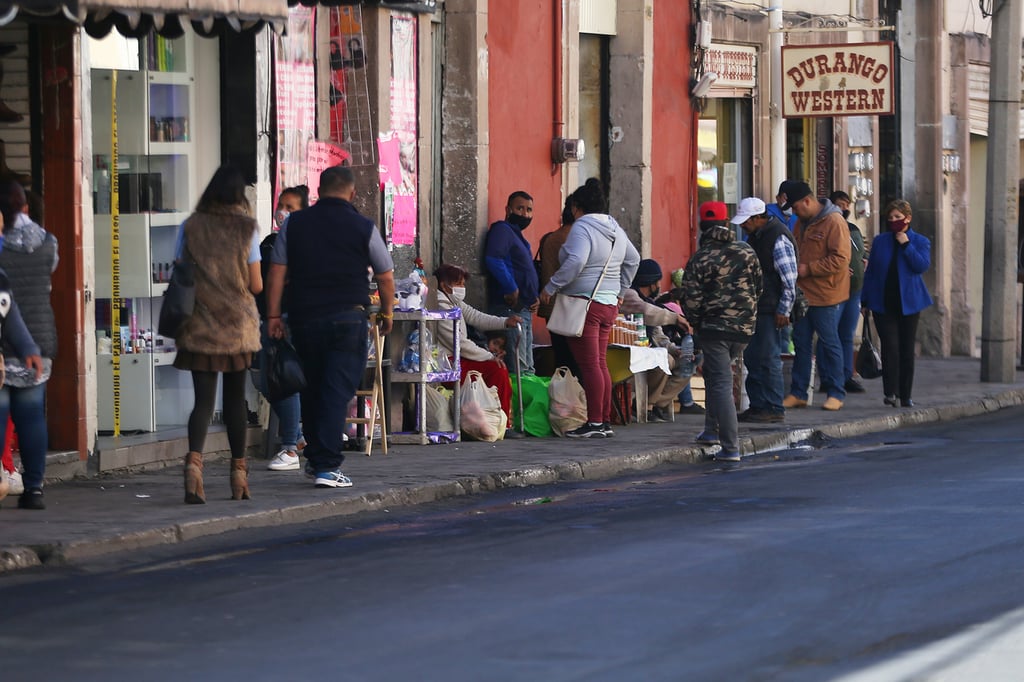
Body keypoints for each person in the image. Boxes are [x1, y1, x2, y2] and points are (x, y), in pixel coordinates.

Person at [266, 165, 395, 489]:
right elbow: (385, 274)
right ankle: (326, 466)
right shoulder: (363, 226)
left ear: (318, 191)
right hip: (348, 318)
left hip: (305, 318)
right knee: (337, 390)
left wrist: (273, 317)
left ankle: (316, 460)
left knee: (310, 388)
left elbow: (277, 272)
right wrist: (388, 312)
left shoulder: (294, 224)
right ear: (352, 194)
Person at [173, 165, 263, 504]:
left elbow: (180, 271)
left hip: (200, 323)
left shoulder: (190, 226)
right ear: (239, 195)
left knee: (202, 402)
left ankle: (194, 468)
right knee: (235, 401)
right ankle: (239, 475)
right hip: (237, 328)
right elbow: (256, 285)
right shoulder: (247, 230)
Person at [539, 178, 640, 438]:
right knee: (599, 364)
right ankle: (603, 420)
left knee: (590, 366)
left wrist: (551, 286)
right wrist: (619, 291)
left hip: (584, 303)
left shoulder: (582, 227)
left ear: (575, 208)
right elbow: (634, 259)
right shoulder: (615, 228)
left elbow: (576, 260)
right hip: (607, 304)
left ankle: (595, 422)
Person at [680, 201, 762, 462]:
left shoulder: (700, 257)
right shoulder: (747, 252)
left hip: (714, 328)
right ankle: (710, 430)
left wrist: (697, 322)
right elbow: (759, 287)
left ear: (702, 226)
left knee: (720, 383)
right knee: (717, 378)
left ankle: (730, 447)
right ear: (728, 223)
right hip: (744, 329)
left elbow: (690, 299)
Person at [0, 181, 52, 509]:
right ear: (26, 207)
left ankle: (5, 475)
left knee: (2, 413)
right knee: (32, 415)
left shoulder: (4, 248)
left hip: (7, 344)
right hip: (38, 337)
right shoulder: (49, 242)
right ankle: (34, 489)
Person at [781, 181, 851, 412]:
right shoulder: (801, 223)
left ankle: (836, 392)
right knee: (801, 342)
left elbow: (841, 259)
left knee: (829, 342)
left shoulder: (834, 221)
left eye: (796, 207)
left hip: (826, 294)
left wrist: (808, 269)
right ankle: (799, 392)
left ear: (807, 201)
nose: (794, 212)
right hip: (803, 294)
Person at [434, 263, 522, 438]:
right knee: (496, 369)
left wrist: (504, 322)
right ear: (444, 286)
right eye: (458, 284)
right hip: (446, 361)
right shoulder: (440, 305)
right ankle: (502, 423)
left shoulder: (454, 301)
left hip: (459, 358)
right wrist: (489, 356)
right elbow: (459, 343)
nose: (462, 288)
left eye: (463, 284)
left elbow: (476, 317)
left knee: (498, 369)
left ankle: (499, 420)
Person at [861, 199, 932, 407]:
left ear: (907, 219)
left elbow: (921, 266)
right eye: (890, 218)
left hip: (909, 302)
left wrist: (906, 244)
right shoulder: (881, 241)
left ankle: (905, 394)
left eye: (897, 217)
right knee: (890, 348)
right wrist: (865, 300)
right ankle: (890, 392)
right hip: (883, 302)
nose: (893, 221)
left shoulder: (919, 241)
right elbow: (871, 272)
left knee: (906, 349)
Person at [733, 197, 797, 424]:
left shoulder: (777, 237)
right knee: (753, 356)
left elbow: (789, 278)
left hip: (771, 308)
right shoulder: (756, 236)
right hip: (757, 307)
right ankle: (758, 405)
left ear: (759, 218)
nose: (743, 226)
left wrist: (784, 309)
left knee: (768, 357)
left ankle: (773, 406)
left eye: (746, 221)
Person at [258, 187, 308, 471]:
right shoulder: (270, 243)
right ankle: (299, 437)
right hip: (270, 318)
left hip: (290, 320)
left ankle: (290, 446)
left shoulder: (307, 245)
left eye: (290, 207)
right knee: (265, 382)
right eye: (281, 205)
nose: (283, 211)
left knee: (284, 379)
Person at [628, 259, 692, 422]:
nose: (658, 287)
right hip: (630, 353)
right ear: (650, 283)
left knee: (686, 362)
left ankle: (652, 404)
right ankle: (646, 406)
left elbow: (658, 335)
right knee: (664, 360)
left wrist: (674, 349)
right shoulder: (630, 296)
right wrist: (674, 318)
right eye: (657, 282)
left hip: (649, 352)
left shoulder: (650, 302)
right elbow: (646, 311)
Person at [484, 191, 540, 376]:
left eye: (529, 210)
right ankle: (517, 404)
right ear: (508, 209)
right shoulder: (502, 230)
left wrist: (534, 296)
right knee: (518, 366)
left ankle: (528, 403)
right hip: (509, 307)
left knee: (528, 366)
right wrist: (511, 287)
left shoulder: (519, 238)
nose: (524, 214)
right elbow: (494, 259)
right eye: (520, 208)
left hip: (525, 308)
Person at [828, 190, 867, 393]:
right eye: (840, 204)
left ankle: (846, 375)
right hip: (836, 289)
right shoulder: (828, 227)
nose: (844, 208)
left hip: (855, 290)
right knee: (830, 334)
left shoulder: (853, 229)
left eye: (846, 204)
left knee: (847, 335)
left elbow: (862, 251)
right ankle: (829, 377)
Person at [536, 200, 578, 376]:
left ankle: (562, 393)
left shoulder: (551, 237)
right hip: (569, 306)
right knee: (574, 359)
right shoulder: (575, 238)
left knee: (560, 355)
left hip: (550, 305)